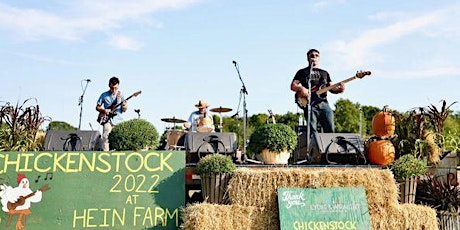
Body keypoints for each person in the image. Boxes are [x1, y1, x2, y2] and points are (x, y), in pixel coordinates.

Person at [290, 49, 345, 134]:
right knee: (312, 131)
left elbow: (331, 88)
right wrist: (301, 88)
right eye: (312, 55)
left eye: (316, 55)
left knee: (330, 128)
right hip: (310, 104)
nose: (314, 57)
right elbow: (293, 86)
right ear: (308, 58)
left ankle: (329, 147)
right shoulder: (302, 72)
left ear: (319, 58)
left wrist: (340, 89)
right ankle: (313, 146)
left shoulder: (324, 73)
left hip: (323, 104)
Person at [96, 76, 127, 151]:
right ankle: (105, 153)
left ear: (118, 86)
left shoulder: (121, 95)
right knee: (106, 136)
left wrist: (124, 106)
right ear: (109, 85)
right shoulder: (104, 95)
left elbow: (124, 110)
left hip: (118, 119)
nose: (113, 90)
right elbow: (97, 107)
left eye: (115, 88)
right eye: (112, 88)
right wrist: (104, 111)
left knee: (119, 138)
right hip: (107, 119)